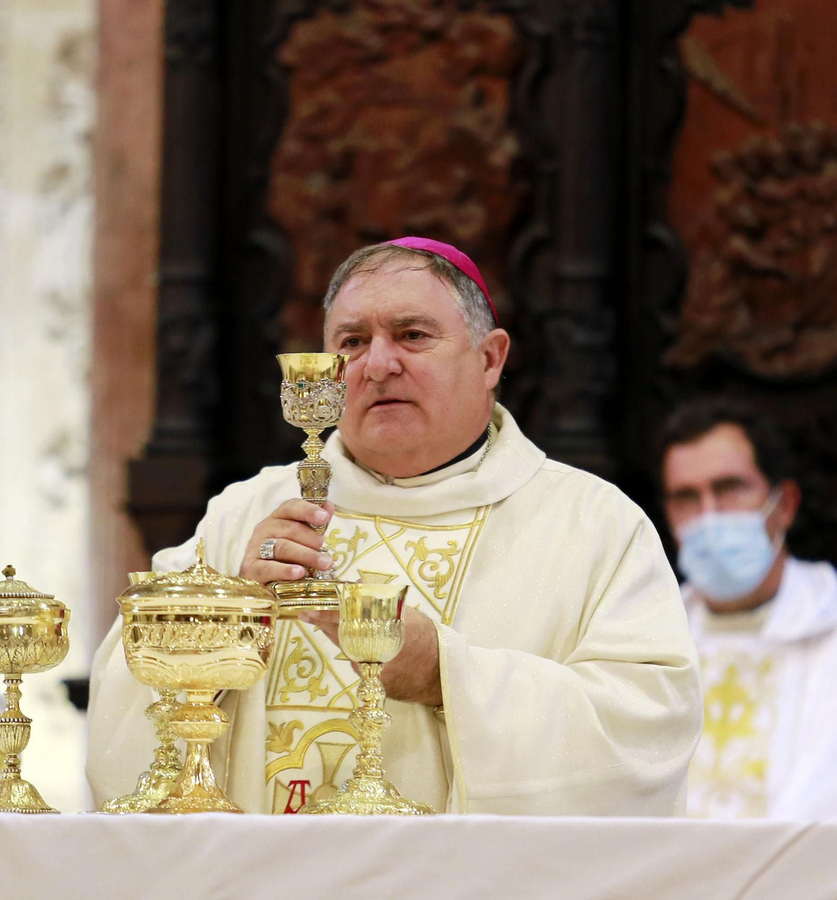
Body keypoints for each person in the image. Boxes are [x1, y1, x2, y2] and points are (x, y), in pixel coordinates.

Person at [87, 238, 702, 815]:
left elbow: (646, 729)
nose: (378, 364)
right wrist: (230, 617)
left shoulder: (592, 525)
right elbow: (118, 728)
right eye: (352, 342)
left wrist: (444, 674)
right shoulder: (243, 515)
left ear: (489, 359)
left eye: (412, 335)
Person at [659, 397, 837, 818]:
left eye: (729, 489)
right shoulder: (646, 645)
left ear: (784, 506)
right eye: (687, 497)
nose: (708, 516)